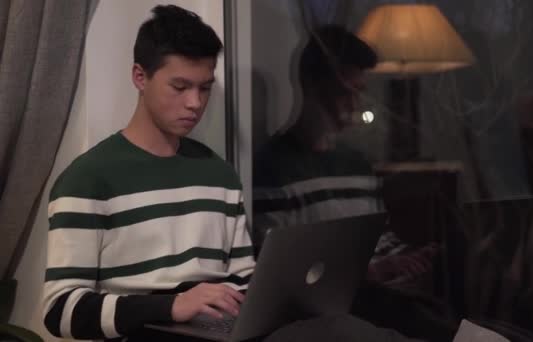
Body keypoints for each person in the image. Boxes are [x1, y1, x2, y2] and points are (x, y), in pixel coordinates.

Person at [42, 6, 415, 342]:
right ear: (140, 76)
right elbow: (60, 310)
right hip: (146, 333)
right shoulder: (88, 179)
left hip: (218, 331)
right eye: (180, 86)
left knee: (353, 331)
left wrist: (270, 296)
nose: (195, 102)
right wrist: (171, 306)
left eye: (204, 88)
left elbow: (242, 277)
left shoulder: (217, 174)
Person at [252, 25, 457, 341]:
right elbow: (283, 273)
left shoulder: (356, 164)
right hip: (325, 314)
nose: (356, 104)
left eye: (361, 92)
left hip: (374, 297)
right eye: (347, 92)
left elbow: (376, 237)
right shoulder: (274, 167)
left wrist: (406, 259)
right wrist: (374, 272)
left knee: (447, 321)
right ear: (312, 85)